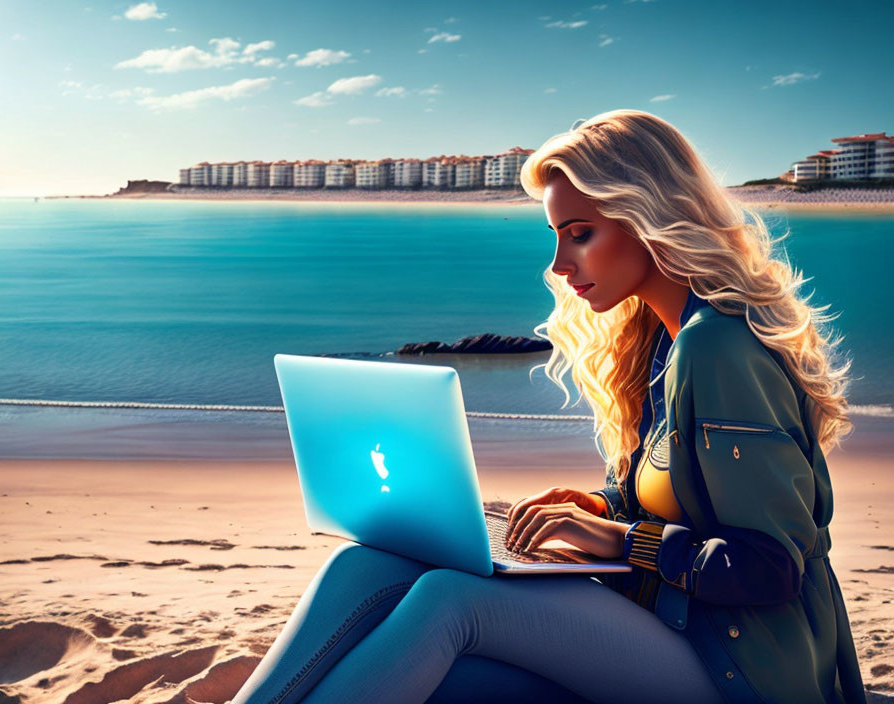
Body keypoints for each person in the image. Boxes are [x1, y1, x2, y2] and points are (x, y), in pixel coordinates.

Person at [231, 109, 866, 704]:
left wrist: (619, 538)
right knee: (366, 563)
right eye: (558, 237)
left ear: (650, 215)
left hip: (741, 665)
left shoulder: (718, 347)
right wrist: (598, 508)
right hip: (665, 622)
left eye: (580, 235)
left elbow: (770, 567)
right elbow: (691, 498)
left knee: (450, 602)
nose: (560, 265)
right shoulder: (653, 339)